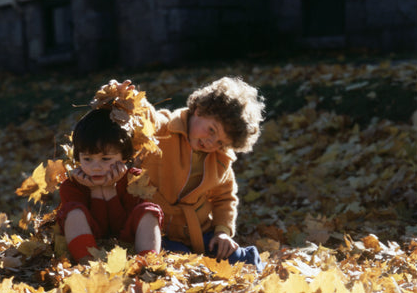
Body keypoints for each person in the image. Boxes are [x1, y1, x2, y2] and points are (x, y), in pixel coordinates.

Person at [114, 76, 265, 270]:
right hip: (158, 231)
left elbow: (224, 198)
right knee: (178, 261)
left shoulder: (220, 161)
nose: (211, 143)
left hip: (199, 233)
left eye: (220, 142)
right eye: (211, 130)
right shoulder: (165, 128)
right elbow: (148, 117)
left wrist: (222, 232)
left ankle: (248, 261)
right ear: (199, 110)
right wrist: (130, 99)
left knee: (234, 258)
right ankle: (191, 265)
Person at [56, 108, 163, 263]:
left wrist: (110, 190)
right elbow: (101, 230)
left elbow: (117, 229)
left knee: (148, 211)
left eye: (105, 159)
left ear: (124, 157)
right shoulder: (72, 186)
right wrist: (95, 191)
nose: (96, 167)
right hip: (91, 243)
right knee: (72, 212)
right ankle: (88, 264)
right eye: (87, 159)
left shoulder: (135, 180)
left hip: (129, 244)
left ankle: (147, 263)